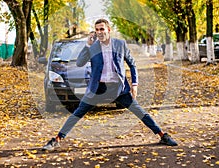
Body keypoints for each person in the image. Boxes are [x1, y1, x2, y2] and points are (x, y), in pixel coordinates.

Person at [42, 19, 177, 150]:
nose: (99, 32)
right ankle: (56, 140)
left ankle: (162, 135)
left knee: (140, 112)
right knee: (77, 113)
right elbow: (79, 63)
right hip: (98, 88)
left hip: (118, 88)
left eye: (102, 29)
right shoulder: (93, 47)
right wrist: (87, 45)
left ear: (108, 30)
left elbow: (132, 64)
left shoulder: (120, 44)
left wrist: (134, 84)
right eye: (97, 30)